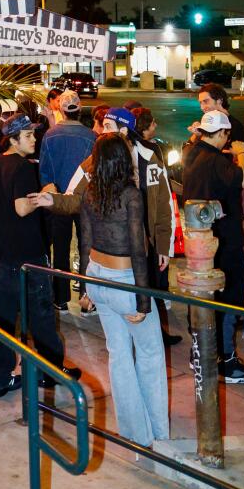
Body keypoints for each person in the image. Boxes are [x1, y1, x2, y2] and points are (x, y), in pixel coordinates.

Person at [69, 132, 168, 447]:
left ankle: (134, 432)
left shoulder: (90, 193)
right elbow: (139, 251)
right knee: (150, 353)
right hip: (126, 280)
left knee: (119, 354)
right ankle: (158, 431)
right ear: (123, 160)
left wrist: (86, 285)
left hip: (98, 276)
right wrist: (143, 301)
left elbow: (85, 241)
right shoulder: (130, 194)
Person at [0, 114, 80, 397]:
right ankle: (50, 372)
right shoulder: (21, 167)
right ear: (13, 140)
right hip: (28, 260)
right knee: (41, 321)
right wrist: (45, 192)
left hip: (1, 259)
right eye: (28, 136)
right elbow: (21, 208)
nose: (34, 139)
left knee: (1, 325)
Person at [182, 110, 244, 383]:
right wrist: (242, 153)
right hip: (222, 242)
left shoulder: (191, 152)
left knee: (204, 299)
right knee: (229, 297)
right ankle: (226, 360)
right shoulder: (215, 160)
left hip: (199, 241)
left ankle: (199, 353)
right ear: (223, 134)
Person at [122, 107, 180, 345]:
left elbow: (163, 199)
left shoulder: (151, 153)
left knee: (150, 283)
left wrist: (164, 244)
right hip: (130, 237)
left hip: (147, 235)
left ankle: (156, 334)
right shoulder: (110, 154)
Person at [38, 90, 96, 309]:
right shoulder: (91, 136)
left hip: (59, 199)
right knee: (86, 249)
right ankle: (87, 299)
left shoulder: (50, 135)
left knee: (60, 249)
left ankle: (60, 299)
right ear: (79, 109)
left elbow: (44, 172)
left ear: (61, 109)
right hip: (86, 201)